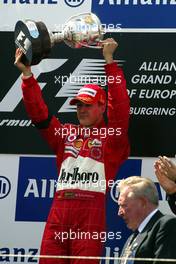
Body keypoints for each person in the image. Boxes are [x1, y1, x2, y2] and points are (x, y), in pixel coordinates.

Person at [14, 38, 130, 264]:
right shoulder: (65, 133)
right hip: (58, 213)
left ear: (102, 106)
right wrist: (27, 76)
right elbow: (39, 115)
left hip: (89, 216)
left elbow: (121, 108)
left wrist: (109, 62)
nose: (82, 110)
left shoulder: (113, 138)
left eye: (88, 105)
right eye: (78, 105)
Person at [118, 176, 176, 264]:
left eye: (124, 205)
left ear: (143, 202)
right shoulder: (132, 237)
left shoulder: (167, 225)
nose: (119, 213)